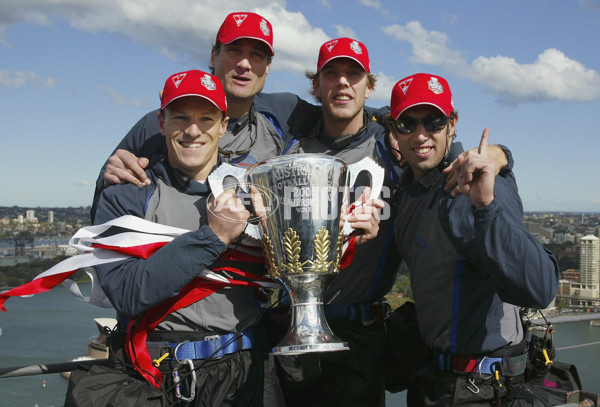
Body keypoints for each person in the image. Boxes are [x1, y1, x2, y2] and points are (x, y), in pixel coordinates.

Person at [67, 69, 273, 406]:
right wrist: (214, 237)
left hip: (241, 374)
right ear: (161, 122)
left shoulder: (257, 192)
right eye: (181, 117)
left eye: (206, 118)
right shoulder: (127, 194)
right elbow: (128, 292)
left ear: (223, 126)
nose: (193, 130)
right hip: (155, 374)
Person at [387, 73, 560, 406]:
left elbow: (540, 288)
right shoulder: (410, 191)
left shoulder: (473, 184)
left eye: (434, 121)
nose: (421, 135)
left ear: (452, 124)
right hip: (436, 382)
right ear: (394, 131)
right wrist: (504, 151)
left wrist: (485, 205)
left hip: (482, 388)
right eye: (408, 124)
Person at [92, 11, 318, 221]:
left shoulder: (283, 113)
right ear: (213, 56)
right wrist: (109, 176)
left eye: (256, 55)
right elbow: (105, 203)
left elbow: (341, 121)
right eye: (234, 50)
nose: (244, 63)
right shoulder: (156, 125)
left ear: (268, 67)